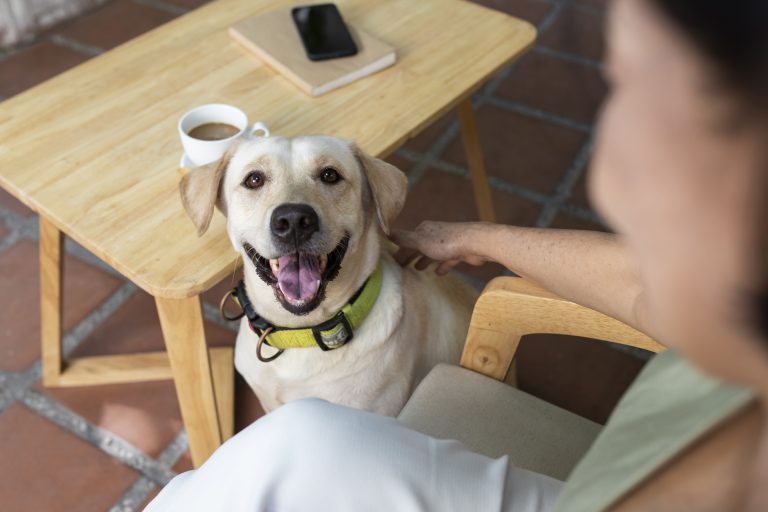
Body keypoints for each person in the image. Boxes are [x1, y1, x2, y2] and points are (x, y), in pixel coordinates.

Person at [145, 0, 768, 510]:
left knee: (290, 451)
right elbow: (640, 289)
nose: (604, 168)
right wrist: (480, 239)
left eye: (635, 87)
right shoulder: (724, 314)